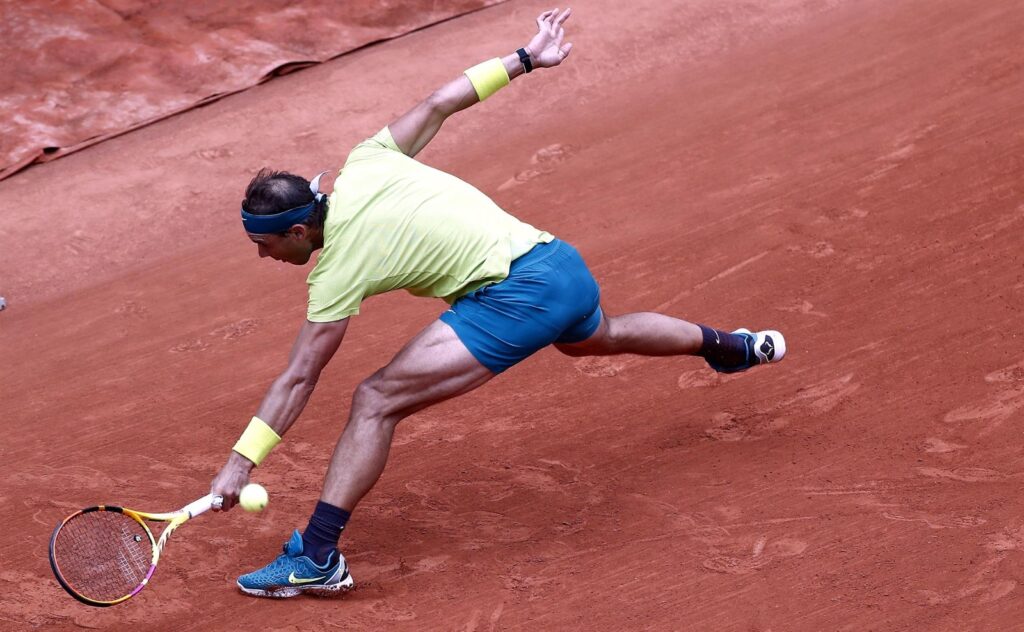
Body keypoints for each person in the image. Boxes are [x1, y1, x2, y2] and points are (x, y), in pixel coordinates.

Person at [210, 7, 786, 599]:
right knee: (600, 335)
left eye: (265, 243)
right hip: (560, 264)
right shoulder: (368, 160)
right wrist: (528, 57)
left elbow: (302, 374)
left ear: (300, 231)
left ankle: (319, 556)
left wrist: (241, 461)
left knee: (376, 398)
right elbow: (440, 101)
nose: (262, 257)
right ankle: (735, 347)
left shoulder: (335, 272)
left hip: (518, 295)